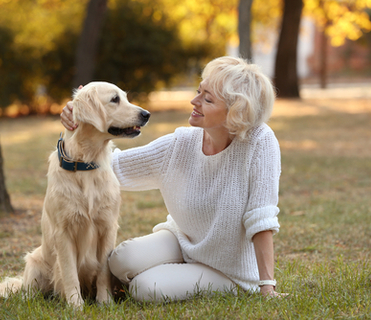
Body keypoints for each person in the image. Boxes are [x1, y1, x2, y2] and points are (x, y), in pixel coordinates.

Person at [60, 56, 286, 302]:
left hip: (229, 270)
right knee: (120, 260)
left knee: (145, 289)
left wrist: (266, 286)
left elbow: (261, 218)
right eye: (199, 91)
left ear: (235, 113)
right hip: (181, 241)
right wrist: (80, 119)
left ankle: (222, 284)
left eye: (207, 99)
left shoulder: (260, 142)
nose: (194, 101)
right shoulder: (182, 143)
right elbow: (110, 167)